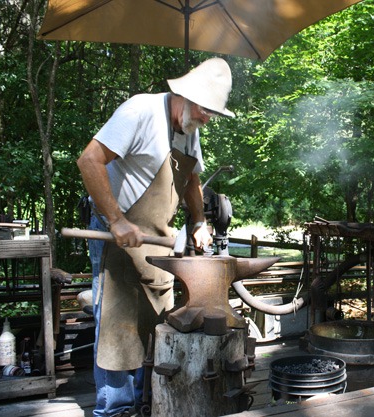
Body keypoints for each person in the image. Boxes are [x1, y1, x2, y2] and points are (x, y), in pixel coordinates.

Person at [77, 58, 235, 417]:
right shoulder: (140, 111)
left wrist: (197, 221)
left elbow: (192, 178)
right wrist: (115, 220)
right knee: (117, 323)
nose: (208, 118)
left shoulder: (189, 128)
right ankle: (114, 409)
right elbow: (89, 160)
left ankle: (145, 400)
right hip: (116, 232)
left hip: (157, 237)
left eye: (212, 112)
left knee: (155, 319)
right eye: (205, 110)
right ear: (184, 96)